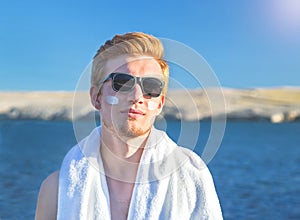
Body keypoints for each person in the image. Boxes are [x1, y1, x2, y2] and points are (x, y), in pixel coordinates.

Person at [35, 32, 223, 220]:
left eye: (151, 86)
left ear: (159, 104)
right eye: (122, 82)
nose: (137, 96)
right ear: (96, 97)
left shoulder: (192, 178)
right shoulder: (56, 190)